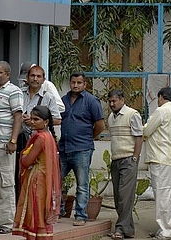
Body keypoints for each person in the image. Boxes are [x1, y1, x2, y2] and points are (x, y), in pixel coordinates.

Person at [59, 71, 105, 226]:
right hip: (64, 148)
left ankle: (80, 215)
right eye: (73, 82)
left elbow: (100, 125)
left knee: (82, 184)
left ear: (85, 84)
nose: (76, 85)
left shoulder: (91, 101)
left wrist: (88, 138)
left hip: (82, 149)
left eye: (79, 83)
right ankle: (58, 211)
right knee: (55, 181)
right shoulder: (63, 100)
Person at [12, 106, 61, 240]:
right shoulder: (49, 136)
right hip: (44, 180)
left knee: (36, 212)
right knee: (40, 213)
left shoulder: (40, 138)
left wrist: (22, 156)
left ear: (45, 122)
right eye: (31, 118)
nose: (32, 122)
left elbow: (27, 162)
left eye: (36, 119)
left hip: (37, 180)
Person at [0, 61, 23, 234]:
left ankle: (7, 224)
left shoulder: (14, 91)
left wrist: (13, 140)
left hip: (4, 146)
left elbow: (18, 117)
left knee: (5, 185)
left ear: (8, 74)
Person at [143, 87, 171, 240]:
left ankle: (166, 231)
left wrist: (140, 127)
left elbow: (146, 131)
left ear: (161, 97)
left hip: (161, 158)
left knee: (162, 195)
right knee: (169, 195)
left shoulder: (161, 111)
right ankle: (166, 228)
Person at [18, 65, 61, 199]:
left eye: (38, 76)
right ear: (27, 78)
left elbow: (58, 119)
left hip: (37, 142)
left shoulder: (48, 97)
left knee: (37, 178)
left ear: (43, 80)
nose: (35, 79)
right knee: (18, 175)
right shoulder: (19, 92)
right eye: (32, 76)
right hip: (19, 139)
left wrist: (36, 121)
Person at [105, 90, 143, 239]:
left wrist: (135, 158)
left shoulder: (132, 114)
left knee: (125, 196)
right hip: (116, 159)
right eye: (110, 101)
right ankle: (128, 230)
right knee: (118, 196)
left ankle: (120, 229)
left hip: (128, 159)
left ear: (122, 100)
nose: (112, 104)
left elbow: (139, 137)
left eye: (114, 101)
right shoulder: (111, 117)